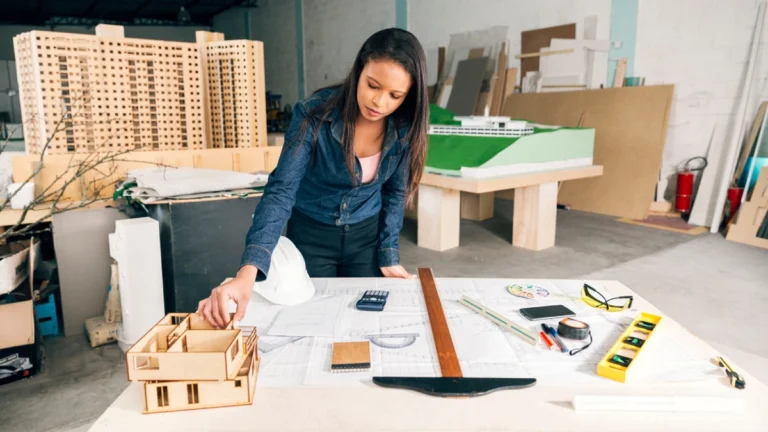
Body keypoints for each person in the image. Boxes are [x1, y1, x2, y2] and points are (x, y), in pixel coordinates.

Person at [198, 28, 429, 328]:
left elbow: (395, 194)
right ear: (359, 70)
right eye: (373, 85)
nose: (380, 102)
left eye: (395, 95)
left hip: (365, 240)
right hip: (311, 237)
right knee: (311, 323)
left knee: (364, 324)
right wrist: (248, 272)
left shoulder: (404, 127)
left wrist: (388, 254)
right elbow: (281, 190)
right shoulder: (313, 115)